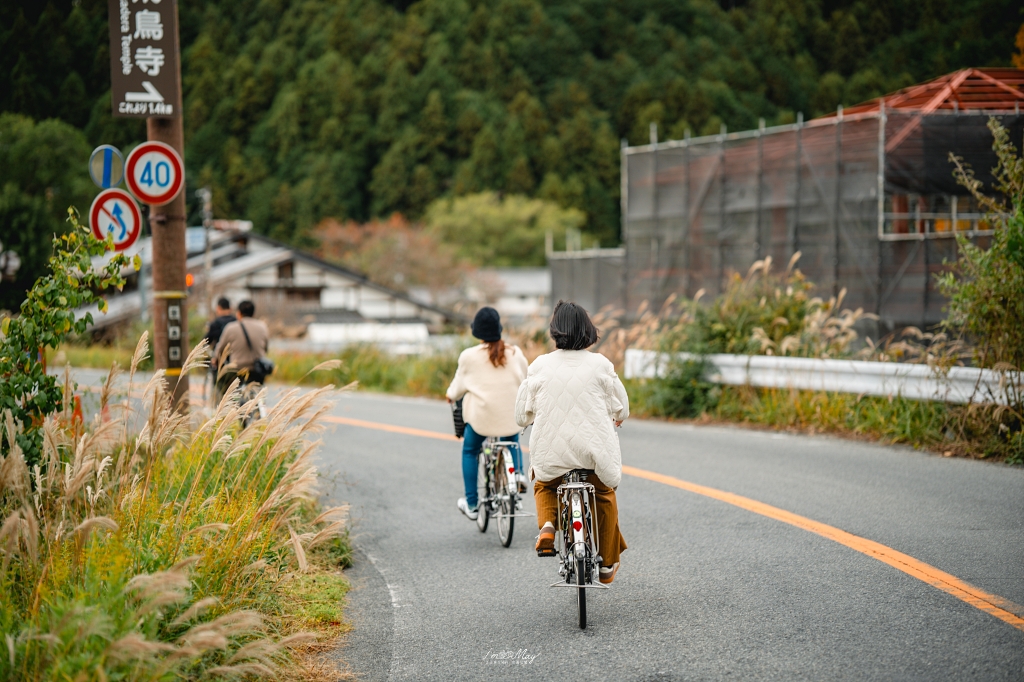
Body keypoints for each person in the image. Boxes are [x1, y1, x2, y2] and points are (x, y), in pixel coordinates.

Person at [515, 300, 628, 584]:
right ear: (588, 330)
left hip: (552, 453)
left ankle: (549, 525)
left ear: (555, 332)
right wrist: (617, 417)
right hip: (593, 453)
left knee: (545, 484)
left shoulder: (539, 365)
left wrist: (530, 417)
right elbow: (622, 408)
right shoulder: (601, 364)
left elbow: (521, 414)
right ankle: (606, 565)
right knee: (603, 493)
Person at [446, 307, 529, 521]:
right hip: (511, 418)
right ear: (499, 329)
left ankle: (472, 504)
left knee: (470, 450)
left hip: (482, 421)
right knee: (511, 439)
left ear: (478, 332)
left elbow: (456, 389)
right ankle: (517, 473)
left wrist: (450, 395)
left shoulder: (469, 357)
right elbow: (526, 380)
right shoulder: (515, 353)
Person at [213, 299, 270, 390]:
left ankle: (227, 402)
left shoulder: (231, 328)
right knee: (257, 390)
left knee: (221, 384)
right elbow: (266, 348)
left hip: (236, 370)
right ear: (253, 313)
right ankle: (259, 403)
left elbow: (220, 348)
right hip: (256, 370)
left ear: (238, 313)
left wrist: (215, 359)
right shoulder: (262, 327)